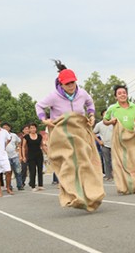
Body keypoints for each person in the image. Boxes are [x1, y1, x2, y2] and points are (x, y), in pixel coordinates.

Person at [36, 60, 104, 211]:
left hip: (79, 130)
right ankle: (72, 195)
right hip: (62, 133)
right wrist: (44, 120)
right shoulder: (53, 96)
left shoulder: (82, 93)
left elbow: (90, 103)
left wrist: (91, 115)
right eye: (67, 84)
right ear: (61, 84)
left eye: (73, 83)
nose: (71, 86)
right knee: (69, 163)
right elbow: (39, 106)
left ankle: (91, 194)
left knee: (85, 161)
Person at [103, 85, 135, 194]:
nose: (122, 95)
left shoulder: (134, 107)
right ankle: (125, 186)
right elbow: (105, 120)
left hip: (132, 138)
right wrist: (111, 121)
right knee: (121, 163)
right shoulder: (112, 108)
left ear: (127, 94)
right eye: (119, 93)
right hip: (119, 139)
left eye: (124, 93)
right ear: (116, 97)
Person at [22, 123, 45, 191]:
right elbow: (23, 147)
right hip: (31, 155)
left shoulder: (39, 136)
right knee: (32, 170)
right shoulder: (26, 137)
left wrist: (47, 152)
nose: (33, 129)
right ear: (29, 129)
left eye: (34, 128)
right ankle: (33, 185)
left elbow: (42, 145)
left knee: (40, 170)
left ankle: (40, 185)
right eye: (31, 128)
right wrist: (23, 156)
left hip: (39, 154)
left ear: (36, 128)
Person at [94, 109, 114, 180]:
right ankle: (108, 176)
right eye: (105, 114)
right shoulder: (99, 125)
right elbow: (93, 133)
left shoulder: (113, 123)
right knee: (107, 160)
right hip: (105, 145)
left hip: (114, 144)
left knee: (115, 160)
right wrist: (99, 141)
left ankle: (116, 174)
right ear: (102, 115)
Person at [2, 122, 23, 190]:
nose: (5, 129)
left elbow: (19, 142)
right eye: (4, 128)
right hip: (6, 157)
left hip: (14, 155)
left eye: (6, 127)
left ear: (9, 128)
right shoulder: (1, 136)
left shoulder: (14, 135)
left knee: (18, 171)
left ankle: (19, 185)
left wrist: (18, 148)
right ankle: (9, 186)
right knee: (8, 172)